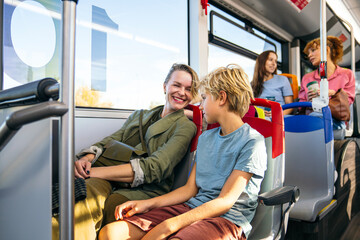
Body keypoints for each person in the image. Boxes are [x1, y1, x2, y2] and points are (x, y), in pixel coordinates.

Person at [99, 64, 267, 240]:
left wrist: (170, 225)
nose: (200, 107)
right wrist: (145, 204)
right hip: (191, 208)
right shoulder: (206, 138)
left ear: (221, 98)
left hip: (226, 220)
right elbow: (189, 190)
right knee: (110, 234)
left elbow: (225, 202)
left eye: (204, 98)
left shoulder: (252, 142)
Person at [52, 63, 200, 240]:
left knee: (93, 197)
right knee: (80, 191)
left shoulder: (185, 127)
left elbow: (156, 167)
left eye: (188, 89)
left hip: (147, 188)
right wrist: (88, 158)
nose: (182, 92)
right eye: (177, 85)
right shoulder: (139, 116)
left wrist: (95, 172)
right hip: (113, 176)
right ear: (165, 86)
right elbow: (112, 140)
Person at [299, 36, 355, 129]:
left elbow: (347, 102)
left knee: (317, 119)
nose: (309, 55)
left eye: (313, 50)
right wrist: (308, 101)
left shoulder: (347, 74)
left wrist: (333, 93)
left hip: (335, 119)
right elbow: (301, 106)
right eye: (308, 53)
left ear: (326, 50)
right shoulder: (307, 78)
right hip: (311, 117)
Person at [251, 50, 294, 116]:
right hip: (260, 118)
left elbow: (290, 106)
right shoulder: (252, 85)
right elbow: (249, 106)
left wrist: (278, 114)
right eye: (271, 60)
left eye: (276, 61)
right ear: (262, 62)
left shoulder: (283, 80)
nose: (274, 64)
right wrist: (257, 112)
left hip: (280, 117)